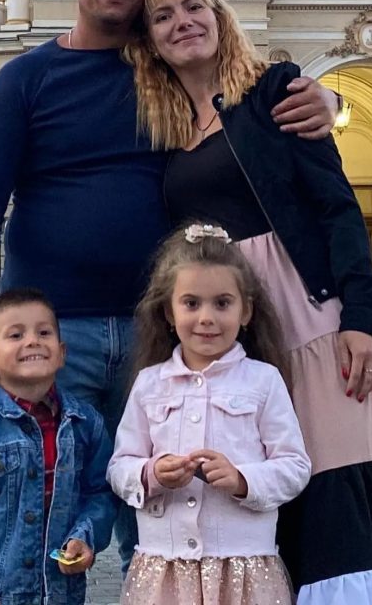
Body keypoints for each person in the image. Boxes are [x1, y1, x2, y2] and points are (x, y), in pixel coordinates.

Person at [0, 0, 337, 568]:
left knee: (164, 527)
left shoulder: (170, 70)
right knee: (35, 526)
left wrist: (319, 98)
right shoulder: (24, 80)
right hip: (52, 340)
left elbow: (248, 93)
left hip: (162, 342)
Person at [125, 0, 372, 603]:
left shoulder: (272, 92)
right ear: (150, 42)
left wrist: (360, 317)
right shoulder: (167, 130)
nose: (182, 23)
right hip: (233, 339)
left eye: (194, 7)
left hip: (310, 320)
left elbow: (337, 207)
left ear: (219, 16)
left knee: (331, 501)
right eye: (163, 17)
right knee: (252, 499)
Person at [107, 225, 311, 605]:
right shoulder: (150, 383)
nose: (206, 317)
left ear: (246, 310)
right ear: (168, 312)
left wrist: (243, 480)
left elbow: (295, 466)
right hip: (165, 570)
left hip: (244, 569)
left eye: (222, 303)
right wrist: (151, 473)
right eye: (191, 303)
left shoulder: (263, 380)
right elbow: (120, 466)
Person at [0, 289, 118, 605]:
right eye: (16, 335)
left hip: (62, 594)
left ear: (62, 353)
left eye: (44, 333)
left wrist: (85, 537)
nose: (32, 341)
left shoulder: (86, 424)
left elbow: (101, 493)